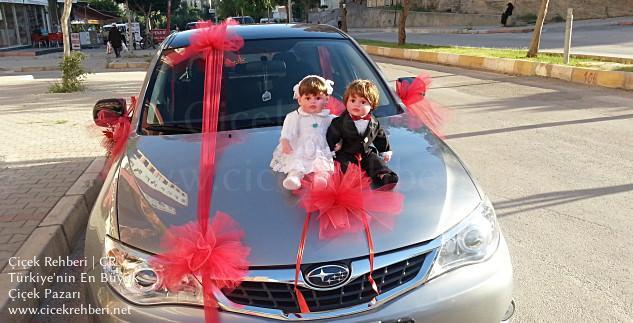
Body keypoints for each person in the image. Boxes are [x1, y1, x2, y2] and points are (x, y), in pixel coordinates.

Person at [326, 80, 398, 187]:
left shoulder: (373, 122)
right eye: (353, 100)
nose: (357, 105)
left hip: (365, 153)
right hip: (346, 152)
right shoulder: (339, 122)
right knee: (345, 166)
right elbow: (331, 136)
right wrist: (332, 148)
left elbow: (380, 136)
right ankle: (351, 180)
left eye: (363, 102)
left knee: (375, 161)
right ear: (346, 102)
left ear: (372, 105)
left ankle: (384, 175)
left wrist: (385, 150)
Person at [270, 75, 336, 190]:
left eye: (317, 98)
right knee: (297, 161)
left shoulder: (329, 118)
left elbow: (340, 129)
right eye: (308, 98)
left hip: (320, 148)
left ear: (326, 100)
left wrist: (339, 141)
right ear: (300, 100)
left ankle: (320, 178)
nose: (313, 102)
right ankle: (294, 177)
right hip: (300, 146)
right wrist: (285, 141)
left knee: (321, 163)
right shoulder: (294, 116)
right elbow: (287, 131)